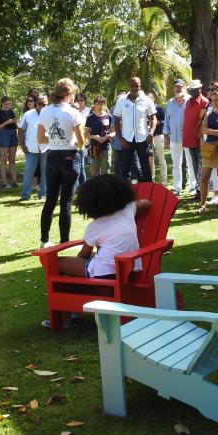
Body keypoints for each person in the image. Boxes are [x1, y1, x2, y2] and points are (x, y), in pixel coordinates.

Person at [42, 174, 151, 329]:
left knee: (57, 263)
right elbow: (146, 203)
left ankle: (66, 317)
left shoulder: (95, 226)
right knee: (92, 258)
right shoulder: (128, 210)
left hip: (105, 274)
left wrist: (81, 263)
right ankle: (73, 310)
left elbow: (83, 255)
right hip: (131, 269)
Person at [37, 78, 85, 248]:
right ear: (69, 94)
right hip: (70, 155)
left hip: (52, 155)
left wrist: (55, 138)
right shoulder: (73, 112)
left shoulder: (45, 111)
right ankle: (65, 242)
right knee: (66, 201)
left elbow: (41, 139)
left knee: (50, 200)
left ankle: (44, 241)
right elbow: (81, 142)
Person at [114, 77, 156, 182]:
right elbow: (116, 120)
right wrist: (120, 138)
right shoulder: (121, 101)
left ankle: (147, 190)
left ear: (140, 86)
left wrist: (151, 133)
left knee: (146, 168)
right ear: (129, 86)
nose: (134, 88)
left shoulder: (146, 100)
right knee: (125, 170)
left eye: (137, 86)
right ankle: (125, 191)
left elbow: (153, 118)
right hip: (127, 139)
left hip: (143, 139)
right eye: (132, 86)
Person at [182, 80, 209, 198]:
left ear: (200, 89)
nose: (192, 91)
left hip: (200, 139)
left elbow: (205, 122)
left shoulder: (204, 102)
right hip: (189, 138)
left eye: (194, 89)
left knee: (201, 166)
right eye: (191, 90)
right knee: (195, 165)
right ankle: (198, 190)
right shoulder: (188, 102)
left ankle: (202, 190)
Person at [20, 94, 48, 201]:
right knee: (28, 172)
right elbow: (20, 129)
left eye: (44, 104)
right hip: (31, 149)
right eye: (40, 104)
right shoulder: (28, 114)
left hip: (46, 148)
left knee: (45, 172)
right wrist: (22, 145)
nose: (42, 106)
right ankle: (25, 194)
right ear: (36, 104)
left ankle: (43, 194)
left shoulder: (50, 115)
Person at [163, 79, 188, 195]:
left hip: (187, 137)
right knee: (176, 164)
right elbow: (167, 121)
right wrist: (166, 137)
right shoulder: (170, 102)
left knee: (190, 164)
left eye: (180, 87)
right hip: (174, 138)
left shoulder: (189, 101)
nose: (178, 89)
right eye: (176, 87)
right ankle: (177, 187)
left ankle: (193, 187)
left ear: (184, 88)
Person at [85, 95, 114, 176]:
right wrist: (95, 137)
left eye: (101, 104)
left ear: (104, 105)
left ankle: (106, 184)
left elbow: (114, 132)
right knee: (95, 171)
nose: (99, 106)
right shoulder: (90, 118)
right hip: (94, 146)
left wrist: (106, 137)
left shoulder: (109, 117)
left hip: (106, 146)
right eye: (97, 104)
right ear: (94, 105)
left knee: (106, 171)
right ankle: (96, 184)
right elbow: (86, 134)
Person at [0, 96, 19, 189]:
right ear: (2, 103)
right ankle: (4, 182)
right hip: (3, 134)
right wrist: (6, 123)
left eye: (9, 104)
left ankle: (14, 182)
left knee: (12, 160)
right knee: (3, 160)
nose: (8, 106)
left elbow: (16, 125)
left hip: (13, 134)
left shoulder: (11, 112)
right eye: (6, 104)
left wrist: (15, 122)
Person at [150, 93, 168, 185]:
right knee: (150, 159)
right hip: (149, 137)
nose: (149, 99)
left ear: (153, 98)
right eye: (148, 98)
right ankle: (152, 180)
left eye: (151, 97)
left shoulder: (159, 108)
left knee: (161, 158)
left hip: (158, 136)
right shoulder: (145, 109)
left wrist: (158, 122)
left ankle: (164, 180)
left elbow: (165, 121)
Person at [74, 92, 92, 186]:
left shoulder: (89, 111)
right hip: (74, 142)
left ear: (85, 101)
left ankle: (87, 185)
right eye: (77, 100)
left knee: (87, 164)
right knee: (80, 166)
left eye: (81, 100)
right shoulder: (72, 110)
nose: (79, 102)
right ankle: (80, 186)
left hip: (87, 141)